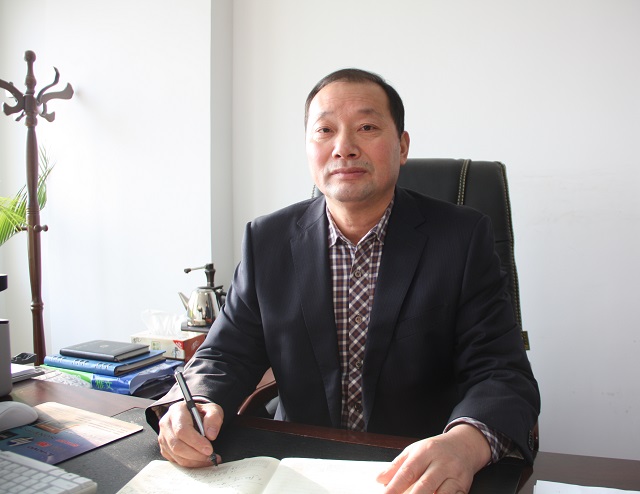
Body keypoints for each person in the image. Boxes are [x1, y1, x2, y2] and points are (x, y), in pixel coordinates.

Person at [148, 68, 540, 494]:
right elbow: (225, 354)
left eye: (367, 127)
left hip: (418, 470)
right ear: (308, 148)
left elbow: (501, 372)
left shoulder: (461, 239)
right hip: (297, 469)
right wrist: (194, 402)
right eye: (325, 130)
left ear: (402, 146)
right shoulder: (267, 240)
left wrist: (465, 444)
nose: (344, 147)